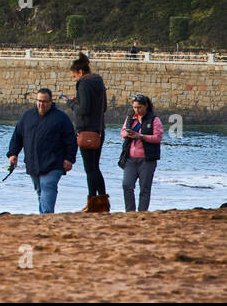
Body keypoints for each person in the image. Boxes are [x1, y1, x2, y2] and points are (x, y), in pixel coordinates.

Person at [8, 88, 77, 214]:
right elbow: (17, 137)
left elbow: (71, 140)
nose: (41, 104)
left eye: (44, 101)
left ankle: (46, 216)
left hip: (54, 163)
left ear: (51, 101)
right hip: (33, 162)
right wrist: (13, 154)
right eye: (39, 101)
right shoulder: (27, 116)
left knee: (48, 187)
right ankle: (43, 216)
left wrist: (69, 159)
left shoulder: (61, 118)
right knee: (40, 191)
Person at [63, 53, 109, 212]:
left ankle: (92, 203)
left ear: (80, 72)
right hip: (99, 131)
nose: (74, 79)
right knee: (96, 167)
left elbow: (83, 109)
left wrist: (71, 104)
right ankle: (103, 202)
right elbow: (103, 108)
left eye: (74, 76)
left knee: (90, 169)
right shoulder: (99, 82)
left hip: (86, 131)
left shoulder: (83, 84)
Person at [119, 94, 163, 212]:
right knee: (127, 185)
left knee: (144, 188)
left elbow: (158, 137)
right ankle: (130, 211)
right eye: (134, 107)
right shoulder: (130, 118)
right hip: (130, 159)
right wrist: (127, 134)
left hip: (147, 159)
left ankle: (142, 211)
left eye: (139, 107)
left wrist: (141, 136)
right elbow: (122, 133)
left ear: (146, 106)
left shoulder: (154, 120)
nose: (136, 110)